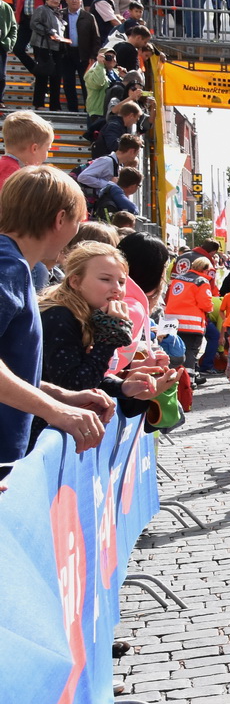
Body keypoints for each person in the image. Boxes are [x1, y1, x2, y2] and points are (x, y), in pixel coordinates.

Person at [0, 167, 109, 476]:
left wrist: (59, 395)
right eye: (78, 222)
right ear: (60, 220)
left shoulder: (11, 263)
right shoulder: (8, 266)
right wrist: (56, 411)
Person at [32, 240, 164, 449]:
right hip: (30, 434)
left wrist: (122, 386)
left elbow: (80, 375)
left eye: (122, 282)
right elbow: (74, 385)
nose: (117, 289)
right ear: (75, 281)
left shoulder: (86, 313)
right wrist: (109, 337)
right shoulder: (60, 315)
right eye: (105, 279)